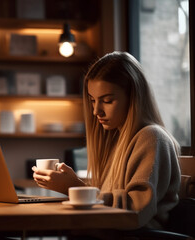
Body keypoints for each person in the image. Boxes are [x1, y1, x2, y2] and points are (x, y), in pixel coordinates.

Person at [32, 51, 181, 229]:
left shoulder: (152, 137)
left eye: (108, 101)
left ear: (133, 97)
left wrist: (75, 188)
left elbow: (135, 211)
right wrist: (71, 185)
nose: (96, 111)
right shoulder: (117, 141)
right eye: (93, 100)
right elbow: (109, 200)